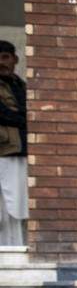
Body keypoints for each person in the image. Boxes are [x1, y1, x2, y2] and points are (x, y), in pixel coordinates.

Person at [0, 40, 28, 247]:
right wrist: (21, 117)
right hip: (3, 152)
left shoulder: (22, 86)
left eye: (5, 57)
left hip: (20, 152)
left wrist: (18, 115)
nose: (1, 63)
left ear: (15, 59)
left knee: (17, 209)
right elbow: (4, 114)